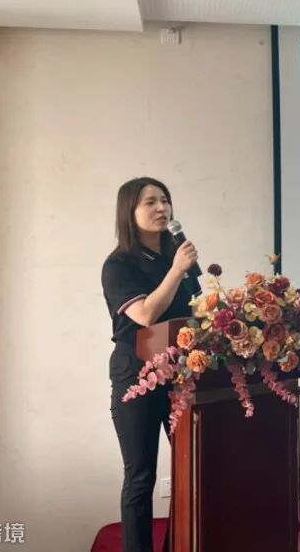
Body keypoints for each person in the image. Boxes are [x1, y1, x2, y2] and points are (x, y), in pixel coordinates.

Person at [102, 177, 202, 552]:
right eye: (150, 202)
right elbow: (145, 315)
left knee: (191, 472)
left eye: (165, 200)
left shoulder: (175, 254)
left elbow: (196, 309)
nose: (162, 208)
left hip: (183, 376)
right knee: (141, 477)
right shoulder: (118, 265)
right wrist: (176, 270)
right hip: (136, 376)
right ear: (129, 212)